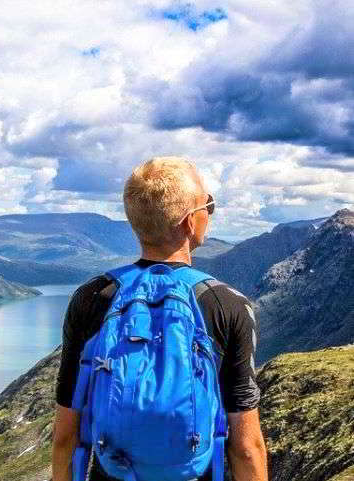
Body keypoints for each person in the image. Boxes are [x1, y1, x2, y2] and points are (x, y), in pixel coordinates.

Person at [51, 156, 268, 481]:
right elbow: (246, 446)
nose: (209, 213)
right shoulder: (228, 305)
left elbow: (66, 432)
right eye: (208, 205)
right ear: (189, 223)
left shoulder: (93, 297)